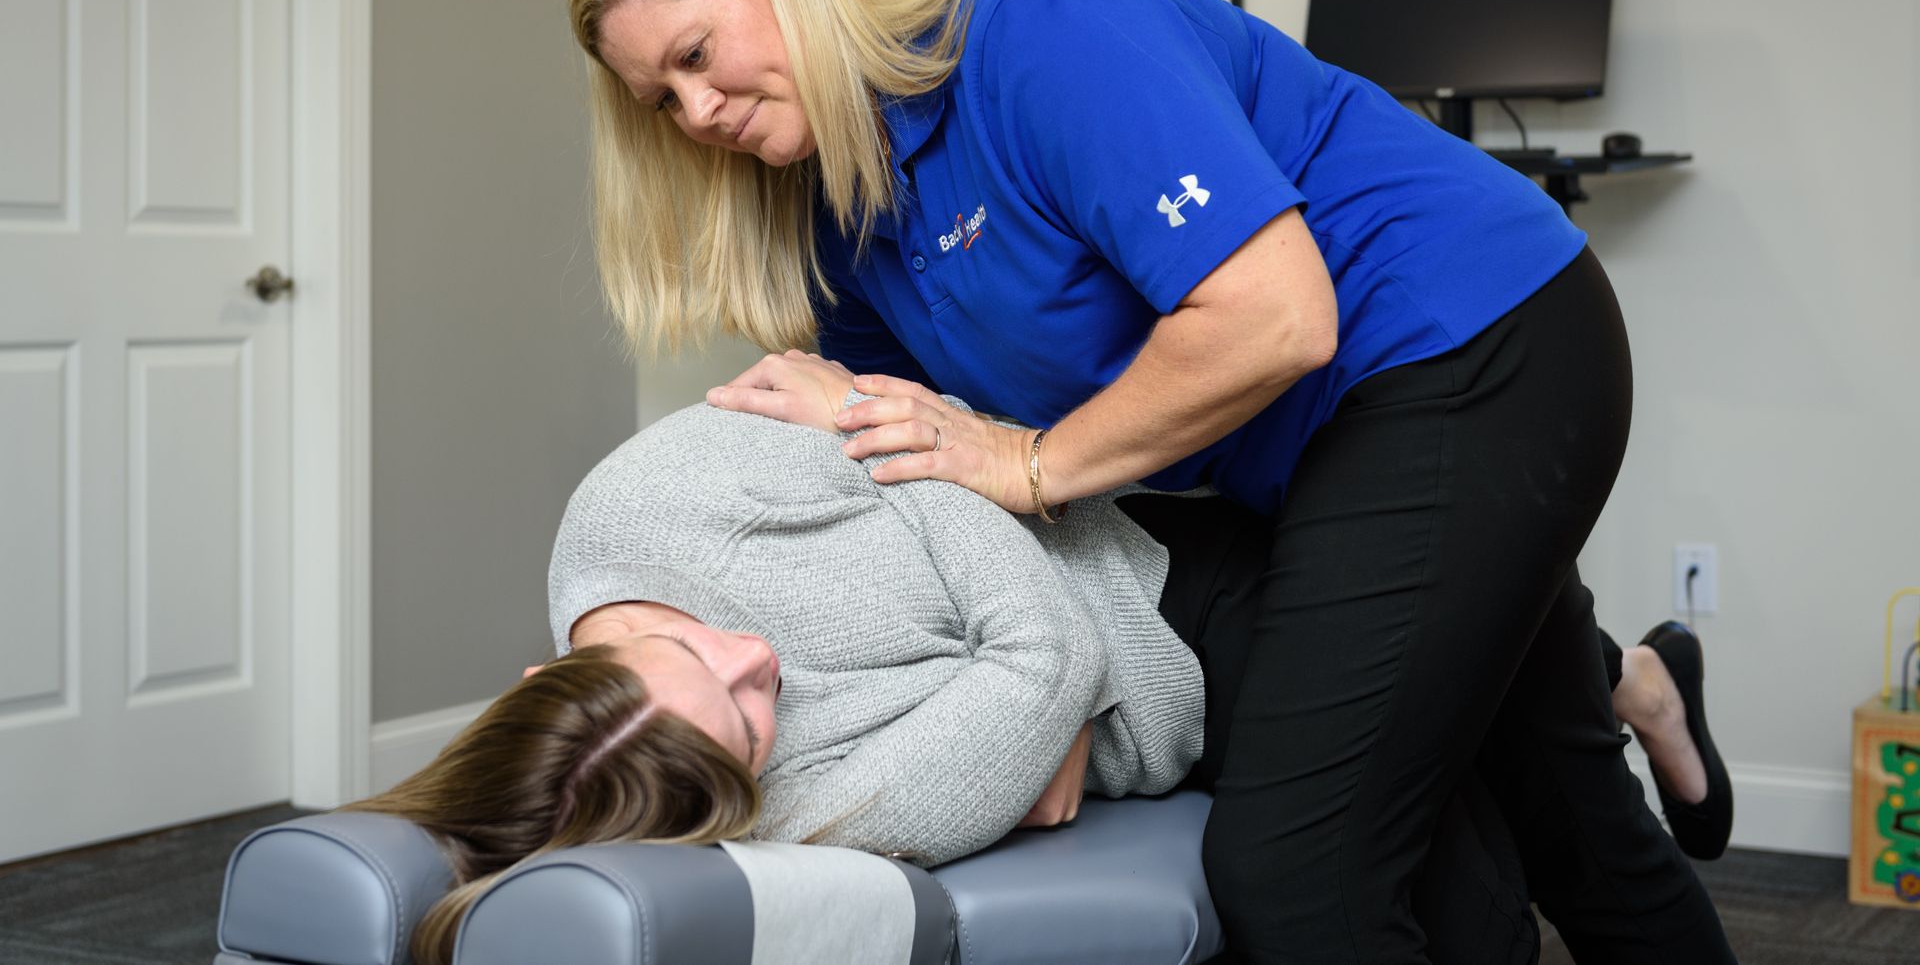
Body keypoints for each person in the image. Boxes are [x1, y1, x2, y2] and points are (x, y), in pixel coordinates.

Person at [562, 0, 1735, 964]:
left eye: (700, 53)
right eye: (662, 98)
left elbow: (1276, 319)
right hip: (1320, 447)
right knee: (1569, 812)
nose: (699, 109)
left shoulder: (1039, 26)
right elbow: (929, 463)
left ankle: (1607, 669)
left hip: (1468, 338)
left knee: (1296, 872)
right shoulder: (837, 211)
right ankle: (1620, 676)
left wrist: (1031, 466)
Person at [343, 374, 1712, 965]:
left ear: (553, 661)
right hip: (1177, 700)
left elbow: (932, 467)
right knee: (1466, 891)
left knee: (1501, 777)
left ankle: (1625, 682)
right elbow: (1030, 659)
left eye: (694, 646)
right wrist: (1027, 657)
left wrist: (1034, 683)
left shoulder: (656, 492)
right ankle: (1625, 675)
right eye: (753, 717)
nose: (756, 658)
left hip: (1177, 577)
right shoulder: (769, 809)